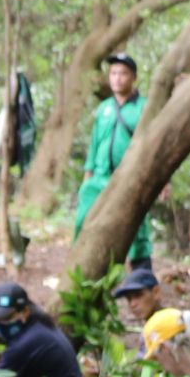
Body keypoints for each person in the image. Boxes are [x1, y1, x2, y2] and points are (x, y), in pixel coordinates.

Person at [72, 52, 152, 268]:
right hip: (99, 176)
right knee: (84, 218)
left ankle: (140, 273)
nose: (117, 78)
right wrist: (87, 176)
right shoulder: (104, 108)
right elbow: (95, 143)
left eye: (123, 73)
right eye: (113, 73)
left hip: (129, 179)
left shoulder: (144, 107)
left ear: (133, 77)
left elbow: (152, 144)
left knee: (137, 227)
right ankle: (80, 263)